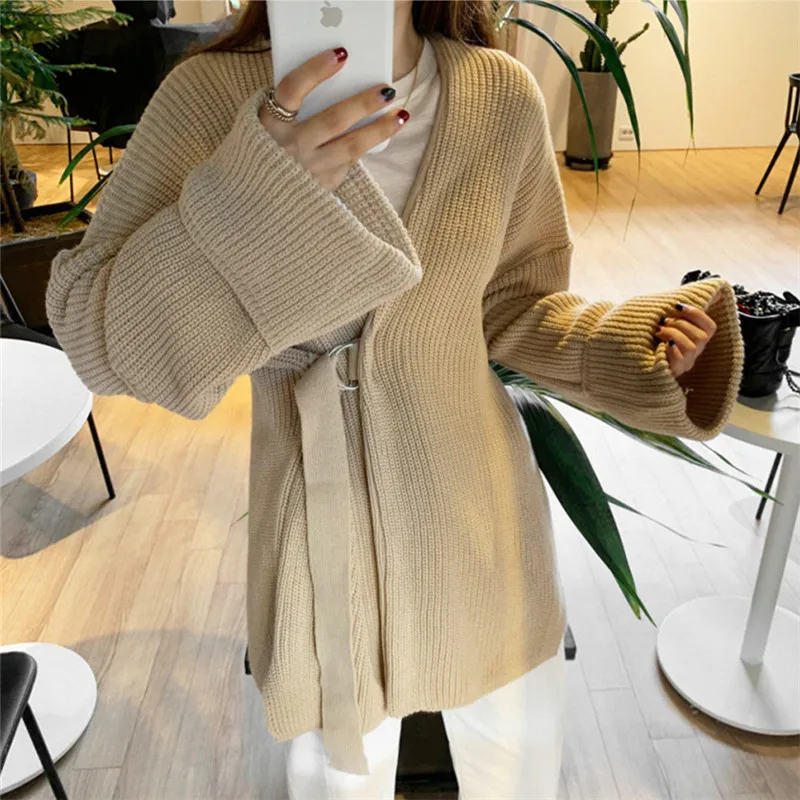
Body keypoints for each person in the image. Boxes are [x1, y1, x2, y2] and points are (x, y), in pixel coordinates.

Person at [45, 1, 744, 796]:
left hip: (477, 518)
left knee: (516, 767)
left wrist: (639, 347)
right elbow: (95, 337)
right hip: (317, 527)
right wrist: (253, 195)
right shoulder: (207, 99)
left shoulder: (498, 96)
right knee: (338, 778)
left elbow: (514, 305)